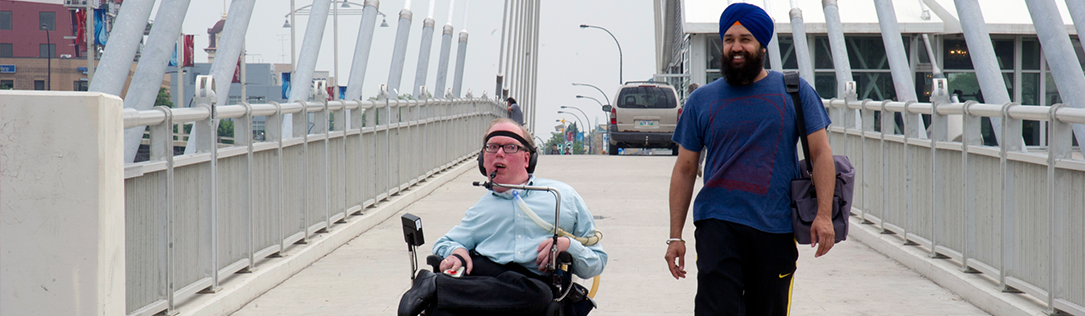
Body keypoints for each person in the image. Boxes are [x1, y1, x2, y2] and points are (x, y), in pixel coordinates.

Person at [663, 3, 837, 316]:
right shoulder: (702, 100)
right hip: (717, 223)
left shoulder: (794, 92)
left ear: (761, 45)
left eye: (745, 39)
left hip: (775, 226)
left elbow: (821, 153)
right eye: (729, 39)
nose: (736, 47)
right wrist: (675, 236)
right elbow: (685, 168)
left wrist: (823, 215)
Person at [398, 118, 607, 316]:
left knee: (538, 295)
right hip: (485, 276)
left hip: (531, 285)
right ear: (482, 160)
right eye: (492, 147)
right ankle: (436, 286)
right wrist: (457, 253)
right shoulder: (482, 208)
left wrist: (567, 244)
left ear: (527, 158)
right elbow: (447, 242)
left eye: (510, 147)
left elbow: (596, 262)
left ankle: (436, 287)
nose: (499, 153)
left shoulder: (562, 197)